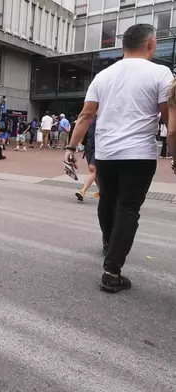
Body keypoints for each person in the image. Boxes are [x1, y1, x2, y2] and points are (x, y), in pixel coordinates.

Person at [65, 24, 172, 293]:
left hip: (106, 154)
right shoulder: (161, 73)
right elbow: (169, 120)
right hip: (139, 154)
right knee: (127, 209)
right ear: (150, 44)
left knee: (108, 201)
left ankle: (107, 243)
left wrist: (71, 147)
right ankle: (112, 272)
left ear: (124, 46)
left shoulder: (103, 76)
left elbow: (86, 115)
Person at [75, 116, 99, 201]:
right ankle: (102, 191)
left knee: (92, 168)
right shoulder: (90, 118)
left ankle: (83, 190)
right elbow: (83, 131)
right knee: (94, 171)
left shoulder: (105, 117)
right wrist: (79, 143)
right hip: (89, 146)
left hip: (99, 146)